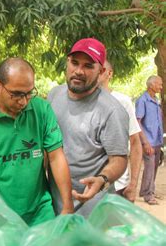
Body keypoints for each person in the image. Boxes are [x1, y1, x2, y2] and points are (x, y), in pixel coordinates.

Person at [0, 58, 74, 226]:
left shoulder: (41, 109)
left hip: (40, 213)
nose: (24, 101)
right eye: (16, 94)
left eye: (29, 93)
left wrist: (68, 204)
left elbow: (56, 157)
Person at [47, 38, 129, 217]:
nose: (78, 71)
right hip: (55, 207)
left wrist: (102, 179)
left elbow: (120, 159)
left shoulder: (112, 111)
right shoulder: (54, 95)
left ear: (101, 71)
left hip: (94, 210)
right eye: (74, 63)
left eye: (88, 66)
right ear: (67, 63)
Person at [98, 60, 142, 202]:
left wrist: (133, 184)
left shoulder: (122, 101)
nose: (96, 72)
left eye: (101, 69)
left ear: (109, 73)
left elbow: (135, 143)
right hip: (89, 186)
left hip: (118, 186)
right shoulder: (80, 102)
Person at [136, 75, 164, 205]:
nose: (161, 87)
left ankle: (147, 190)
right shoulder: (143, 100)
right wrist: (145, 142)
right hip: (149, 141)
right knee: (149, 167)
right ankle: (148, 195)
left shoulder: (156, 100)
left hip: (157, 140)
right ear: (151, 85)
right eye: (159, 84)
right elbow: (138, 122)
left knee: (154, 167)